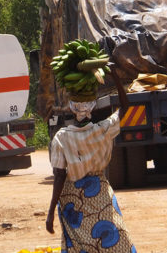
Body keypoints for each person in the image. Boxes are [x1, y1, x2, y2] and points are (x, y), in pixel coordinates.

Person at [46, 67, 136, 253]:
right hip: (100, 193)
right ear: (92, 106)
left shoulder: (61, 138)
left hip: (72, 199)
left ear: (72, 107)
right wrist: (116, 78)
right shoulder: (103, 129)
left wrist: (50, 212)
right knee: (114, 237)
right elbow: (125, 107)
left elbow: (59, 176)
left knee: (79, 245)